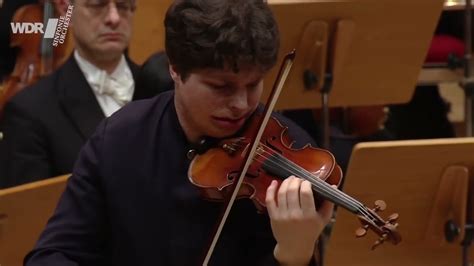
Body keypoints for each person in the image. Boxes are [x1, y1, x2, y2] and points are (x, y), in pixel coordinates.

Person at [24, 0, 335, 265]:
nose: (241, 105)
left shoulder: (291, 154)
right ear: (175, 68)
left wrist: (294, 255)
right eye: (221, 86)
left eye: (253, 84)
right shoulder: (119, 139)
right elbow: (53, 254)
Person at [0, 0, 160, 188]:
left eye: (123, 6)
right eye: (98, 6)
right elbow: (31, 210)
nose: (114, 18)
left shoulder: (163, 89)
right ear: (67, 10)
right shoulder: (28, 112)